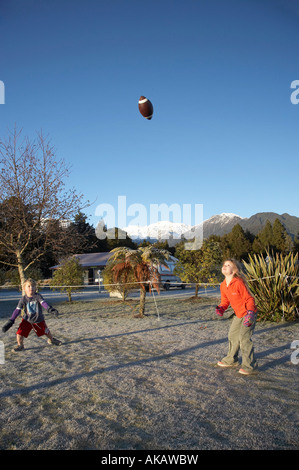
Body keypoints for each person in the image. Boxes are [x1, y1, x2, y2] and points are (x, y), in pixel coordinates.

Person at [216, 259, 258, 375]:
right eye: (224, 265)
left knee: (244, 338)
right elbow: (225, 300)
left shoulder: (238, 282)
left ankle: (250, 366)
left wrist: (250, 313)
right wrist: (221, 308)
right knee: (232, 336)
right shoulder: (223, 285)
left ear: (234, 271)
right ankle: (231, 360)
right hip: (238, 314)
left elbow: (249, 298)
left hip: (249, 313)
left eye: (228, 265)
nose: (225, 266)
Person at [2, 278, 62, 352]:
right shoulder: (23, 299)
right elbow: (17, 310)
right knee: (19, 333)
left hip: (38, 320)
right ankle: (20, 345)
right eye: (29, 286)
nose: (31, 288)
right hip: (26, 320)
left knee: (46, 332)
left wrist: (50, 309)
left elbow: (43, 303)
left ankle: (51, 340)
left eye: (33, 286)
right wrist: (11, 320)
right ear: (24, 288)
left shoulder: (38, 296)